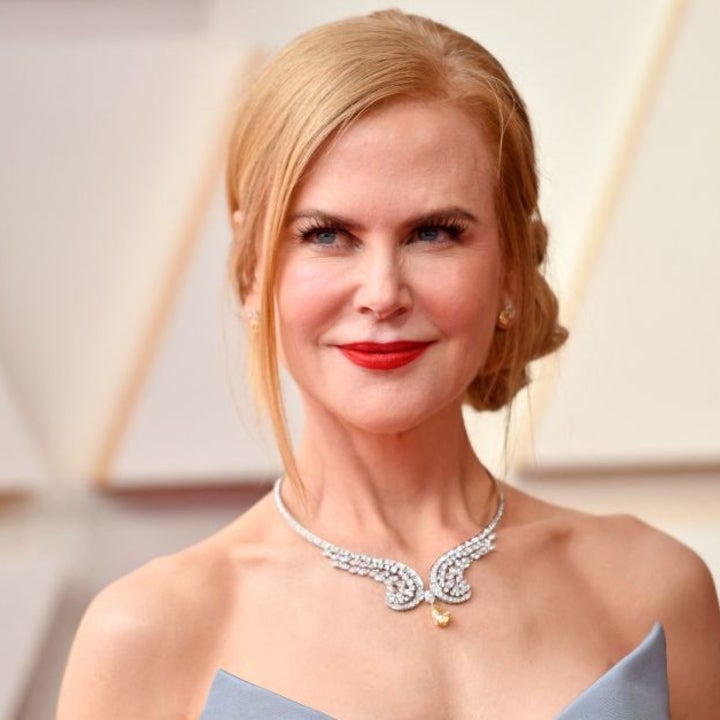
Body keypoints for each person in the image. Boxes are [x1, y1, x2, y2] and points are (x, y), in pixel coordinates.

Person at [57, 9, 720, 719]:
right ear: (253, 272)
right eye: (326, 235)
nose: (382, 293)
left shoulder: (652, 590)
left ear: (509, 270)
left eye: (434, 233)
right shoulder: (150, 632)